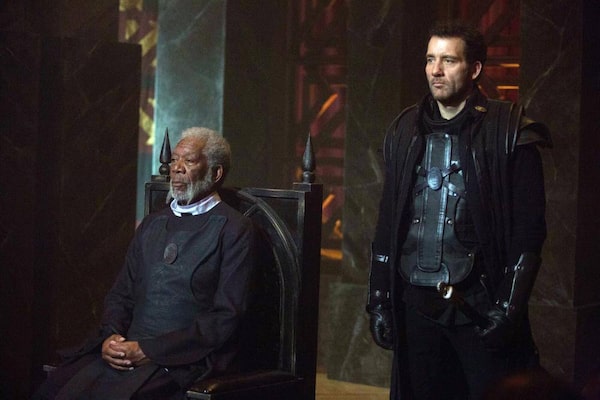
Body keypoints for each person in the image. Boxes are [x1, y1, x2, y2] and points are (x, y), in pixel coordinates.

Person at [366, 21, 551, 400]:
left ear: (475, 68)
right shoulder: (405, 130)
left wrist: (508, 308)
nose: (435, 70)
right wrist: (379, 299)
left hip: (479, 306)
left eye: (448, 60)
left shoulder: (508, 131)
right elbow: (388, 224)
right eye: (430, 59)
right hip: (415, 305)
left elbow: (529, 233)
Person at [33, 127, 256, 399]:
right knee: (55, 390)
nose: (177, 168)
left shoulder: (234, 229)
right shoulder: (153, 224)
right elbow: (121, 294)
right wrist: (112, 337)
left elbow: (226, 317)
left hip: (182, 358)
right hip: (127, 350)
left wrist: (149, 351)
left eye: (189, 161)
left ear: (215, 172)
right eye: (174, 160)